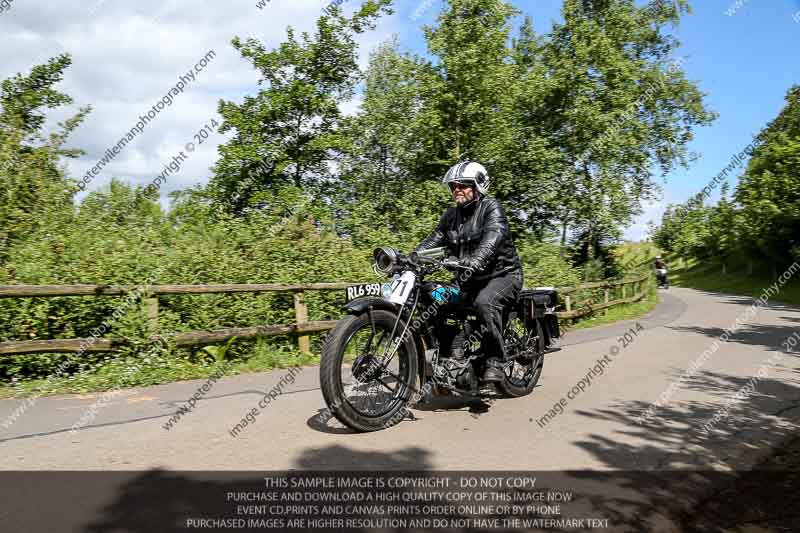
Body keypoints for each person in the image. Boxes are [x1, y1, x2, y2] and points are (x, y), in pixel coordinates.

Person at [415, 161, 524, 382]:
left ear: (478, 185)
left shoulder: (491, 208)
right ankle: (451, 350)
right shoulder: (451, 216)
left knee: (484, 303)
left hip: (502, 276)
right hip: (468, 280)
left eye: (463, 185)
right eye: (454, 186)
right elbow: (432, 241)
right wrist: (412, 258)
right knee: (430, 293)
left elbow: (492, 239)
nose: (457, 190)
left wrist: (475, 260)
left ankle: (496, 359)